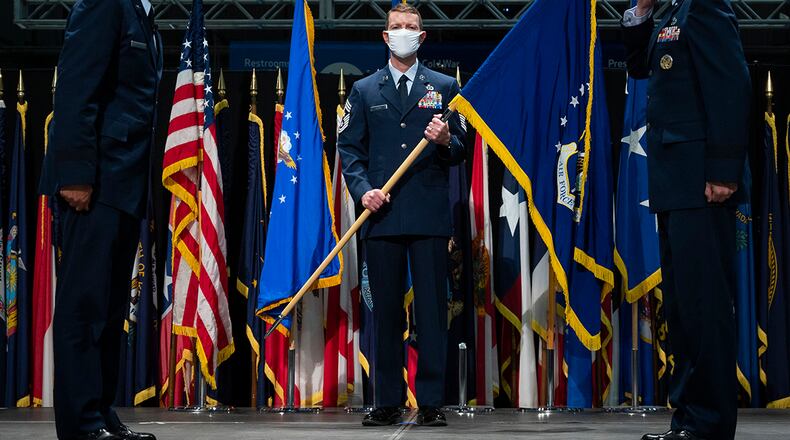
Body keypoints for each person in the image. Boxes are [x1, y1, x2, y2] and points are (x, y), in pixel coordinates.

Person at [622, 0, 751, 439]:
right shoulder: (673, 13)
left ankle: (710, 424)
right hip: (674, 183)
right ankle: (689, 421)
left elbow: (730, 84)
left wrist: (723, 169)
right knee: (682, 311)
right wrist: (641, 11)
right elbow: (639, 66)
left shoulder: (706, 7)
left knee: (706, 307)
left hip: (703, 181)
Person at [337, 3, 466, 427]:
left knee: (431, 313)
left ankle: (431, 401)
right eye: (397, 26)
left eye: (411, 26)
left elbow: (461, 150)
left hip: (429, 215)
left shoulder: (446, 86)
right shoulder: (364, 90)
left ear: (422, 37)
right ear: (385, 36)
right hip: (382, 214)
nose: (404, 32)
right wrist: (362, 191)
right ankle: (387, 400)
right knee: (386, 314)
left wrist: (447, 139)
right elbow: (350, 150)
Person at [40, 0, 162, 438]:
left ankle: (101, 412)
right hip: (92, 182)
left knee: (110, 312)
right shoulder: (102, 4)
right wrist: (74, 174)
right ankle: (80, 424)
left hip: (124, 185)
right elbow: (75, 90)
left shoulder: (144, 16)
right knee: (84, 308)